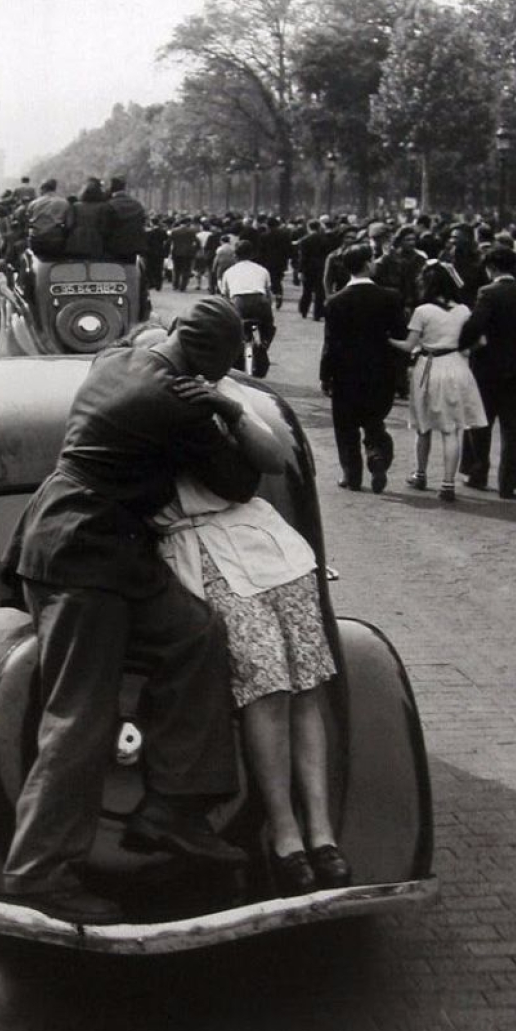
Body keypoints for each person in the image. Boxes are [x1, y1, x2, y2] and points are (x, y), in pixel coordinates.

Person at [1, 297, 263, 924]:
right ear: (208, 366)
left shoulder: (117, 358)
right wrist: (225, 408)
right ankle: (37, 873)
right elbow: (238, 479)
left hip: (83, 542)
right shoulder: (180, 402)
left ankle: (172, 807)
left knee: (195, 634)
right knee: (78, 717)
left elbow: (145, 342)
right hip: (86, 559)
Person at [152, 385, 348, 898]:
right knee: (265, 684)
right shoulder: (137, 411)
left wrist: (230, 409)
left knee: (306, 681)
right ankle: (284, 833)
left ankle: (322, 831)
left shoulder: (222, 397)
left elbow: (275, 458)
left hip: (270, 545)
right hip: (199, 548)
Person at [388, 261, 488, 502]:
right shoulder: (464, 310)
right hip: (456, 366)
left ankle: (420, 474)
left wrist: (388, 340)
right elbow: (480, 342)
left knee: (423, 426)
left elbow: (409, 346)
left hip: (428, 366)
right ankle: (448, 483)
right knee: (452, 428)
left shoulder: (423, 311)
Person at [320, 244, 408, 493]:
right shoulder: (390, 297)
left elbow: (330, 343)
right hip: (380, 371)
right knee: (374, 419)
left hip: (345, 373)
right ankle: (377, 452)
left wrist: (325, 376)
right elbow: (400, 336)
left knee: (345, 426)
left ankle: (352, 475)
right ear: (367, 264)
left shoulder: (335, 302)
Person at [458, 245, 516, 499]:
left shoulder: (487, 293)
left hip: (488, 368)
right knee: (512, 427)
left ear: (490, 268)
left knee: (481, 422)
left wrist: (465, 344)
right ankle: (509, 481)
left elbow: (475, 326)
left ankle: (477, 472)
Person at [219, 239, 276, 372]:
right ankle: (264, 344)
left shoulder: (229, 272)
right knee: (268, 326)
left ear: (235, 255)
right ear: (253, 254)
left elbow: (225, 296)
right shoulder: (262, 270)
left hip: (239, 303)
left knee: (236, 330)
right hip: (260, 302)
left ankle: (239, 353)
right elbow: (268, 293)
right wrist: (269, 312)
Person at [102, 177, 146, 264]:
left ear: (111, 188)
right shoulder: (137, 204)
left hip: (113, 247)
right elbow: (142, 223)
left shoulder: (108, 205)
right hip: (133, 247)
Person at [26, 178, 73, 260]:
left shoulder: (33, 204)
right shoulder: (64, 202)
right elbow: (69, 224)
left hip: (36, 240)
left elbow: (28, 221)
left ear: (43, 189)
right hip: (55, 240)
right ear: (54, 189)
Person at [63, 177, 108, 259]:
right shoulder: (103, 207)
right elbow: (104, 227)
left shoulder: (75, 206)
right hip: (95, 241)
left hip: (76, 241)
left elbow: (69, 225)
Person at [296, 219, 329, 321]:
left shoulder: (304, 240)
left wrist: (300, 270)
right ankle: (317, 313)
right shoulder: (324, 239)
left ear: (308, 227)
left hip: (308, 268)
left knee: (307, 290)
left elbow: (302, 257)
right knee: (320, 291)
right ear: (319, 227)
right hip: (321, 267)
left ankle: (304, 310)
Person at [168, 216, 199, 292]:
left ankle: (175, 285)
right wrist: (194, 250)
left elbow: (169, 242)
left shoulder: (174, 231)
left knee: (176, 270)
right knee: (186, 270)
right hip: (188, 253)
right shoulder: (192, 231)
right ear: (187, 223)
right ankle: (183, 286)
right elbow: (197, 242)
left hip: (176, 252)